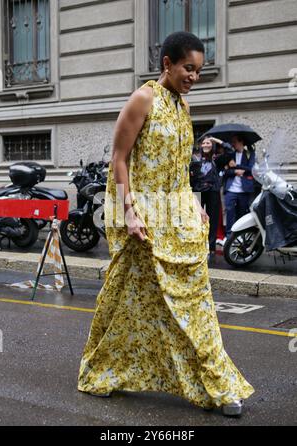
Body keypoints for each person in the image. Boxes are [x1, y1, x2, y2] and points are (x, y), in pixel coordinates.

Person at [78, 31, 254, 417]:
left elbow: (177, 165)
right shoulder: (144, 98)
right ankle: (103, 369)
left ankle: (218, 385)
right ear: (167, 64)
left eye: (198, 71)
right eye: (188, 68)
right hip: (143, 218)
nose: (194, 76)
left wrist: (194, 203)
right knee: (128, 301)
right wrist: (127, 213)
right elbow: (119, 159)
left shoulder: (183, 108)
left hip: (177, 219)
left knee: (194, 304)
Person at [190, 136, 233, 258]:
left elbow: (230, 151)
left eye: (208, 142)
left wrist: (217, 140)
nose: (206, 144)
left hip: (212, 192)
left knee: (212, 221)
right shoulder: (195, 158)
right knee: (196, 219)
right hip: (198, 192)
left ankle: (211, 247)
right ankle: (196, 245)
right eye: (203, 142)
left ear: (212, 145)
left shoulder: (217, 159)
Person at [224, 136, 256, 238]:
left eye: (235, 142)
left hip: (244, 190)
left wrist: (237, 165)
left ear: (241, 142)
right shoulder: (230, 154)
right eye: (232, 142)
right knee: (229, 213)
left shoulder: (249, 153)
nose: (233, 144)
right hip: (231, 189)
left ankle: (241, 237)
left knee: (242, 214)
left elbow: (251, 169)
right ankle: (229, 236)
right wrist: (235, 171)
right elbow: (226, 171)